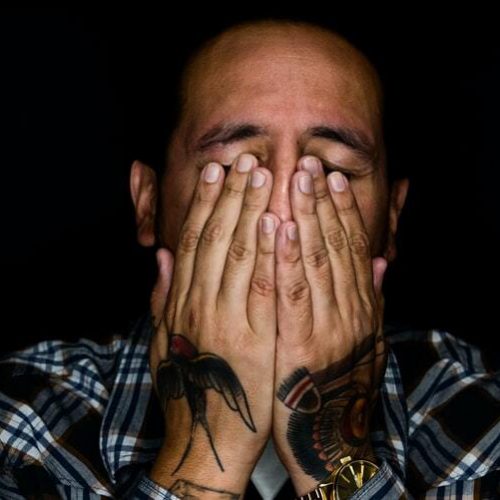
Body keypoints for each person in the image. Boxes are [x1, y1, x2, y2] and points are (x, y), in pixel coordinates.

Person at [1, 17, 499, 500]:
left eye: (332, 171)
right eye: (234, 168)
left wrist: (337, 456)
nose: (281, 212)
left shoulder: (478, 406)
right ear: (148, 202)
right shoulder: (25, 414)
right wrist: (202, 454)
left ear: (391, 219)